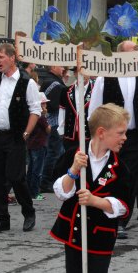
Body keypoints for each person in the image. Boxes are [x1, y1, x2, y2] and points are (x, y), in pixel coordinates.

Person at [49, 103, 132, 273]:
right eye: (121, 133)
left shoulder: (120, 167)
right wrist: (74, 171)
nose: (125, 138)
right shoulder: (75, 155)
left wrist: (97, 201)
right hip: (73, 234)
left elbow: (125, 206)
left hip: (100, 239)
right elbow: (60, 192)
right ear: (101, 132)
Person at [88, 41, 138, 238]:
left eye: (136, 51)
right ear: (120, 55)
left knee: (130, 178)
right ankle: (104, 214)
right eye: (131, 51)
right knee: (110, 175)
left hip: (136, 136)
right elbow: (95, 107)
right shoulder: (105, 77)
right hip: (110, 137)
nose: (136, 53)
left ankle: (121, 221)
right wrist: (95, 135)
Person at [0, 43, 40, 233]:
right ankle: (2, 218)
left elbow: (35, 111)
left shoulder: (27, 82)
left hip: (16, 136)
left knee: (16, 177)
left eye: (1, 57)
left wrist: (26, 133)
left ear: (12, 58)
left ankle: (29, 212)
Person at [39, 65, 66, 194]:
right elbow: (53, 104)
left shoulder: (52, 80)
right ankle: (45, 182)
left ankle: (49, 180)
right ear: (53, 67)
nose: (63, 69)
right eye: (61, 67)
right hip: (53, 122)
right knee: (53, 153)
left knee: (54, 152)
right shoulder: (54, 83)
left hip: (51, 122)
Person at [59, 74, 93, 157]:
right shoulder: (66, 90)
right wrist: (61, 129)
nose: (83, 75)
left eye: (86, 73)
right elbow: (62, 110)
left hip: (88, 134)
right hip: (70, 134)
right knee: (70, 159)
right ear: (75, 74)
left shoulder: (95, 90)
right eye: (80, 73)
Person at [26, 92, 51, 201]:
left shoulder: (32, 114)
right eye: (44, 104)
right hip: (40, 144)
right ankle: (35, 193)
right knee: (37, 170)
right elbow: (48, 129)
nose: (45, 106)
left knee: (31, 169)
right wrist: (47, 118)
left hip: (31, 144)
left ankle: (28, 191)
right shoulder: (41, 116)